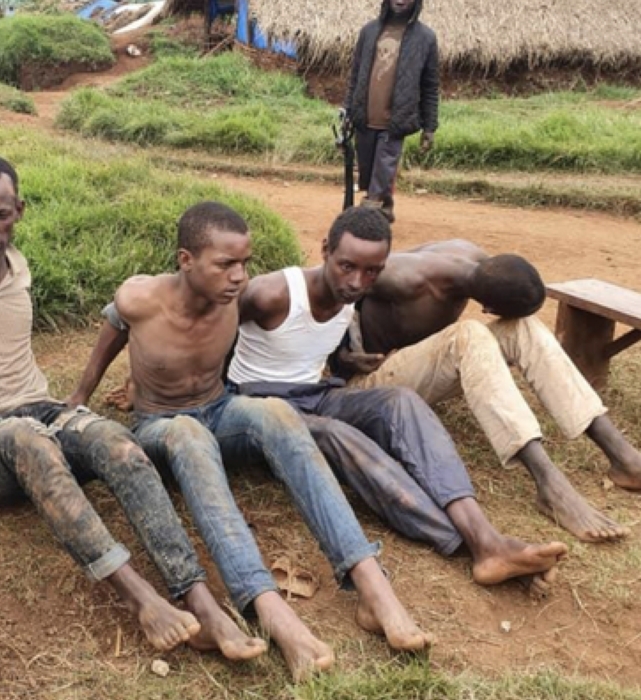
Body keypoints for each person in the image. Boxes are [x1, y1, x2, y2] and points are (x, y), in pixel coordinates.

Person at [0, 156, 267, 661]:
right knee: (25, 438)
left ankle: (199, 599)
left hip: (42, 409)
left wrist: (72, 407)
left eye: (1, 214)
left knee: (116, 442)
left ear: (20, 211)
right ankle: (140, 598)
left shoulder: (20, 267)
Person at [69, 202, 432, 682]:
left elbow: (311, 309)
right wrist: (80, 396)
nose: (239, 276)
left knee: (278, 412)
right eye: (225, 264)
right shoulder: (140, 298)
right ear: (185, 261)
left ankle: (371, 584)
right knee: (189, 433)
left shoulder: (238, 300)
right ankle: (270, 609)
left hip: (220, 410)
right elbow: (112, 333)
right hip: (162, 426)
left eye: (245, 263)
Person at [228, 207, 567, 590]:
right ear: (325, 251)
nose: (357, 282)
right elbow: (213, 336)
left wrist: (345, 359)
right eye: (347, 267)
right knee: (336, 434)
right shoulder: (270, 293)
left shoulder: (351, 293)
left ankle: (487, 539)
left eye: (372, 271)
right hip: (256, 404)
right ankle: (476, 546)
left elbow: (308, 348)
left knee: (401, 401)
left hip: (314, 394)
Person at [331, 239, 641, 542]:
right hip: (362, 384)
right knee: (469, 336)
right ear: (490, 305)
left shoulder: (470, 256)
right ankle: (549, 483)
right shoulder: (404, 279)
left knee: (524, 328)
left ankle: (624, 456)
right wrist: (344, 358)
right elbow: (331, 289)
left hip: (409, 366)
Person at [343, 0, 439, 223]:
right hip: (364, 118)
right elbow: (355, 76)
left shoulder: (425, 38)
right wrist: (347, 111)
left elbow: (430, 86)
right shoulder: (369, 32)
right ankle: (384, 207)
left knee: (382, 174)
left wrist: (429, 127)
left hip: (396, 122)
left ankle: (368, 221)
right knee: (367, 174)